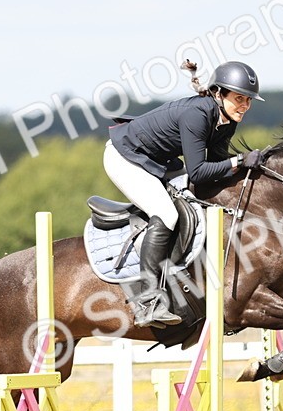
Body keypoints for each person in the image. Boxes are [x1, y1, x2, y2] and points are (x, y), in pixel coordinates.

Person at [105, 60, 267, 327]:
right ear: (219, 93)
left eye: (248, 100)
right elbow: (199, 172)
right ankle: (147, 301)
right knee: (167, 214)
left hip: (158, 161)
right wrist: (239, 161)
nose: (245, 106)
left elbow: (216, 165)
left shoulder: (226, 120)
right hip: (125, 157)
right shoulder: (197, 115)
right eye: (239, 98)